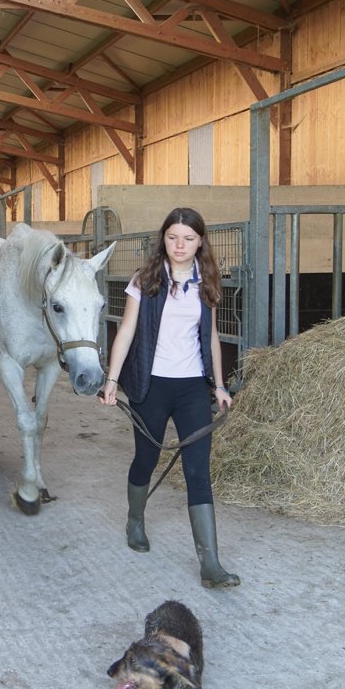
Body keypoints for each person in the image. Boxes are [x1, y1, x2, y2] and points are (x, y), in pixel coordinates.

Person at [100, 207, 240, 589]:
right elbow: (126, 331)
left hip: (192, 387)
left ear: (200, 242)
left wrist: (219, 385)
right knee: (146, 459)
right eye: (173, 237)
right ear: (163, 239)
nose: (180, 245)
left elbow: (211, 335)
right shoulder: (145, 280)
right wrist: (112, 379)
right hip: (151, 385)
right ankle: (135, 520)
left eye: (188, 238)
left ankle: (211, 565)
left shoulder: (206, 281)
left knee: (198, 471)